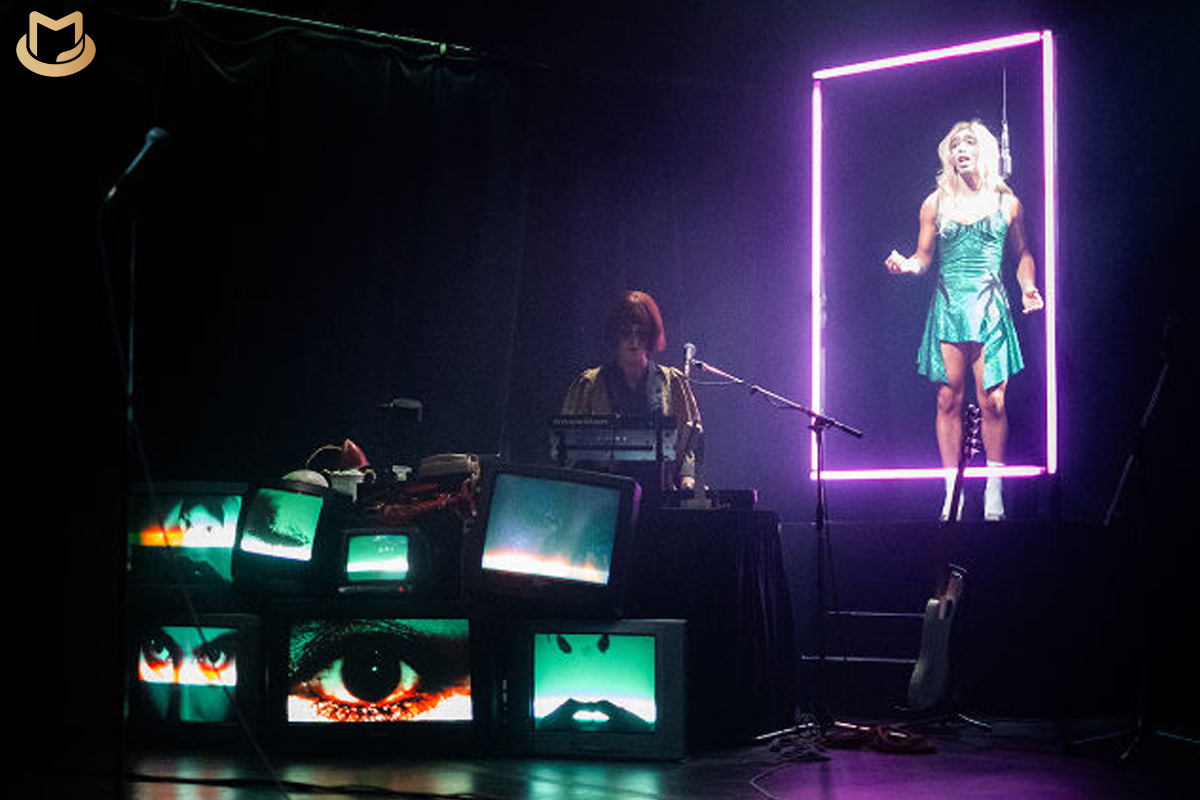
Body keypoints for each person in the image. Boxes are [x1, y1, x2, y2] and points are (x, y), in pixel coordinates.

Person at [885, 120, 1043, 521]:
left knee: (993, 400)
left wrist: (1028, 287)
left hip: (990, 305)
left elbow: (1023, 253)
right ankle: (952, 493)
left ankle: (994, 489)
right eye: (955, 144)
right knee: (947, 399)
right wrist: (907, 265)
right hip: (950, 304)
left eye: (968, 143)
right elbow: (923, 257)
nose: (961, 150)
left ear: (983, 151)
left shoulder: (1007, 203)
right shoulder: (934, 203)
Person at [560, 290, 703, 492]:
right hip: (605, 496)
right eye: (626, 332)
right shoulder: (589, 384)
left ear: (651, 335)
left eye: (641, 333)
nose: (634, 342)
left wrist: (687, 479)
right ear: (615, 334)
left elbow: (690, 440)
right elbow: (567, 448)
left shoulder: (672, 382)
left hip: (659, 495)